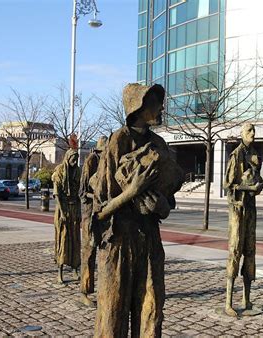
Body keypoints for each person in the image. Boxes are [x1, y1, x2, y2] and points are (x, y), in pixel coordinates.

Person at [92, 83, 184, 337]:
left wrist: (163, 204)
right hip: (119, 242)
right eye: (156, 102)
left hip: (149, 241)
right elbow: (98, 212)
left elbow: (168, 196)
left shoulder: (159, 144)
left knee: (151, 309)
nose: (162, 107)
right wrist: (131, 192)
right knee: (114, 313)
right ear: (139, 106)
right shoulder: (118, 141)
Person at [223, 123, 263, 317]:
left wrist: (259, 185)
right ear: (242, 134)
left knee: (250, 250)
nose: (253, 134)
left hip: (251, 208)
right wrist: (249, 189)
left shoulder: (255, 155)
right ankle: (228, 302)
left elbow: (258, 179)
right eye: (249, 131)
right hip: (238, 209)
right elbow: (228, 185)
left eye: (254, 131)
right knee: (235, 249)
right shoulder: (236, 155)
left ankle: (247, 299)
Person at [79, 136, 107, 306]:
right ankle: (85, 291)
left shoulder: (108, 161)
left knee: (105, 251)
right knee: (89, 253)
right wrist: (96, 196)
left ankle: (103, 288)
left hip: (103, 212)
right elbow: (82, 193)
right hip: (90, 213)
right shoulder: (91, 161)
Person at [52, 136, 81, 284]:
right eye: (73, 159)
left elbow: (80, 194)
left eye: (76, 159)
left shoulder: (78, 172)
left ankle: (76, 269)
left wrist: (80, 211)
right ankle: (60, 272)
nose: (75, 162)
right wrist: (62, 213)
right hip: (63, 209)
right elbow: (57, 194)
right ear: (67, 158)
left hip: (74, 208)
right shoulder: (60, 171)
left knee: (75, 240)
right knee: (63, 240)